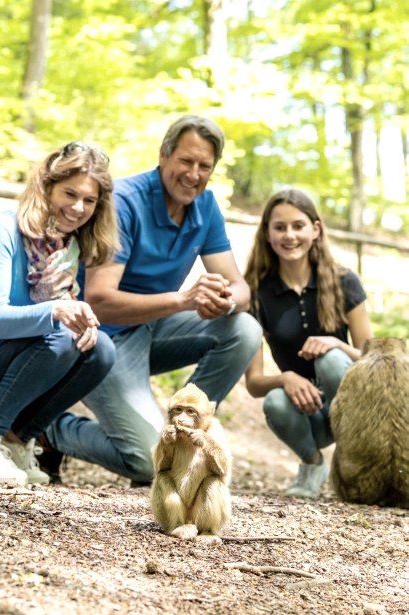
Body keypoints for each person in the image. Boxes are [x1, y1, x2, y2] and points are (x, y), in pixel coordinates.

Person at [42, 115, 263, 485]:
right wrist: (184, 300)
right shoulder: (125, 202)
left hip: (153, 328)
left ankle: (188, 434)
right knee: (148, 462)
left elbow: (242, 289)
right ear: (163, 155)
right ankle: (50, 428)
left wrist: (223, 301)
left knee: (243, 329)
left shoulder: (205, 207)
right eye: (186, 161)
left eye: (204, 166)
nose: (193, 174)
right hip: (101, 339)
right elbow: (100, 301)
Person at [0, 142, 118, 486]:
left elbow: (61, 316)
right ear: (47, 187)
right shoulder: (7, 229)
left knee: (100, 350)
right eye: (70, 193)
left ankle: (17, 440)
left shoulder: (69, 248)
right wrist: (57, 310)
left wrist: (80, 323)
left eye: (90, 200)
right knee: (61, 330)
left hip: (17, 357)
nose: (78, 208)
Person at [244, 188, 373, 499]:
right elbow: (254, 383)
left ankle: (358, 461)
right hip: (305, 415)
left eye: (298, 226)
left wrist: (338, 345)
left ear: (315, 230)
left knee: (329, 360)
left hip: (350, 406)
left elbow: (374, 361)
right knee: (275, 400)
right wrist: (287, 378)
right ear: (267, 234)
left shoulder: (344, 281)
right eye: (280, 227)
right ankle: (313, 465)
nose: (289, 235)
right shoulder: (256, 292)